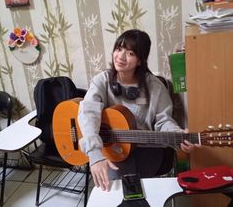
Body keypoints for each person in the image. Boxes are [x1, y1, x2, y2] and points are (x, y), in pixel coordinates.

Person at [78, 29, 200, 191]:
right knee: (116, 191)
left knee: (138, 193)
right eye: (119, 49)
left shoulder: (155, 86)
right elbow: (88, 113)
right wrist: (94, 153)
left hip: (147, 151)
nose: (120, 56)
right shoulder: (102, 81)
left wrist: (178, 136)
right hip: (113, 151)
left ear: (140, 60)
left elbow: (164, 120)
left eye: (130, 53)